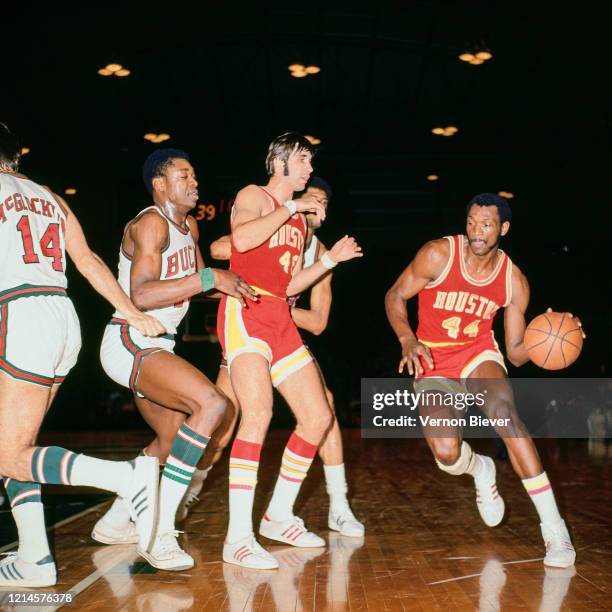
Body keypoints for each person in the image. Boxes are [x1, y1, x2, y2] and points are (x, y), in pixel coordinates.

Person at [0, 123, 165, 588]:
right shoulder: (48, 194)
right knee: (16, 443)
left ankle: (125, 477)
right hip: (61, 314)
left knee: (9, 454)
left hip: (19, 313)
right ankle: (33, 558)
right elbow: (89, 259)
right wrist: (129, 312)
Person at [384, 193, 583, 568]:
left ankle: (555, 530)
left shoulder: (513, 280)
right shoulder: (438, 254)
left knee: (506, 416)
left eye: (486, 224)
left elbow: (516, 351)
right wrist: (407, 338)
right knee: (446, 453)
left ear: (503, 229)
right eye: (472, 222)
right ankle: (481, 468)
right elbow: (395, 295)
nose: (477, 231)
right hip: (433, 357)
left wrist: (550, 339)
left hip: (478, 353)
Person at [93, 148, 257, 571]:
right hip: (131, 339)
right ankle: (160, 532)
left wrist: (242, 290)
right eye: (185, 175)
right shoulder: (150, 223)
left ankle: (115, 521)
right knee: (213, 404)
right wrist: (209, 277)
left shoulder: (192, 227)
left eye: (195, 174)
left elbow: (201, 284)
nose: (194, 182)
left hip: (158, 346)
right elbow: (142, 294)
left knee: (169, 442)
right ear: (160, 183)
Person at [218, 132, 362, 569]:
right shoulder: (254, 195)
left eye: (310, 162)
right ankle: (238, 538)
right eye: (302, 160)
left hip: (279, 316)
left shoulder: (299, 224)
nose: (309, 169)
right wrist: (290, 208)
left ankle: (278, 514)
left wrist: (330, 261)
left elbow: (287, 286)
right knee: (257, 413)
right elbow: (239, 242)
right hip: (245, 313)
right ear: (280, 161)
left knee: (318, 416)